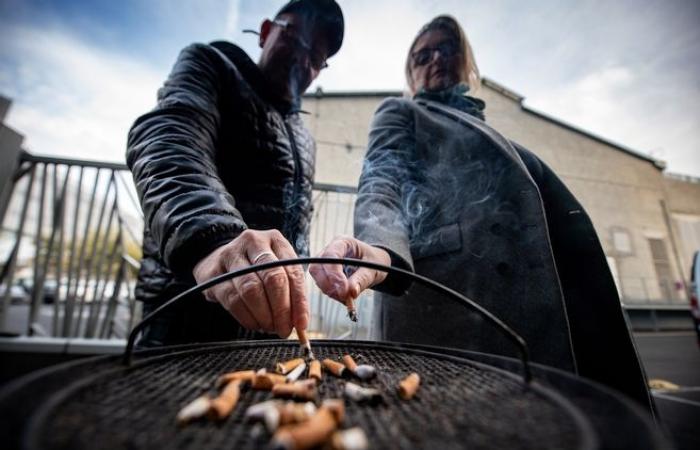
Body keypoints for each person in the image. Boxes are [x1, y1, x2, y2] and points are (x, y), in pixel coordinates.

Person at [310, 15, 653, 410]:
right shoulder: (402, 113)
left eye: (446, 49)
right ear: (411, 73)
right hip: (446, 310)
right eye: (423, 56)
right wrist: (379, 248)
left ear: (466, 61)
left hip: (516, 314)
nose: (436, 59)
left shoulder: (490, 132)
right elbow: (382, 180)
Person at [126, 0, 344, 346]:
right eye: (298, 40)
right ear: (266, 31)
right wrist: (214, 238)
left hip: (265, 320)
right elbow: (169, 138)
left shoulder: (303, 134)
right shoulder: (210, 65)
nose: (304, 61)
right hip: (189, 305)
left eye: (316, 59)